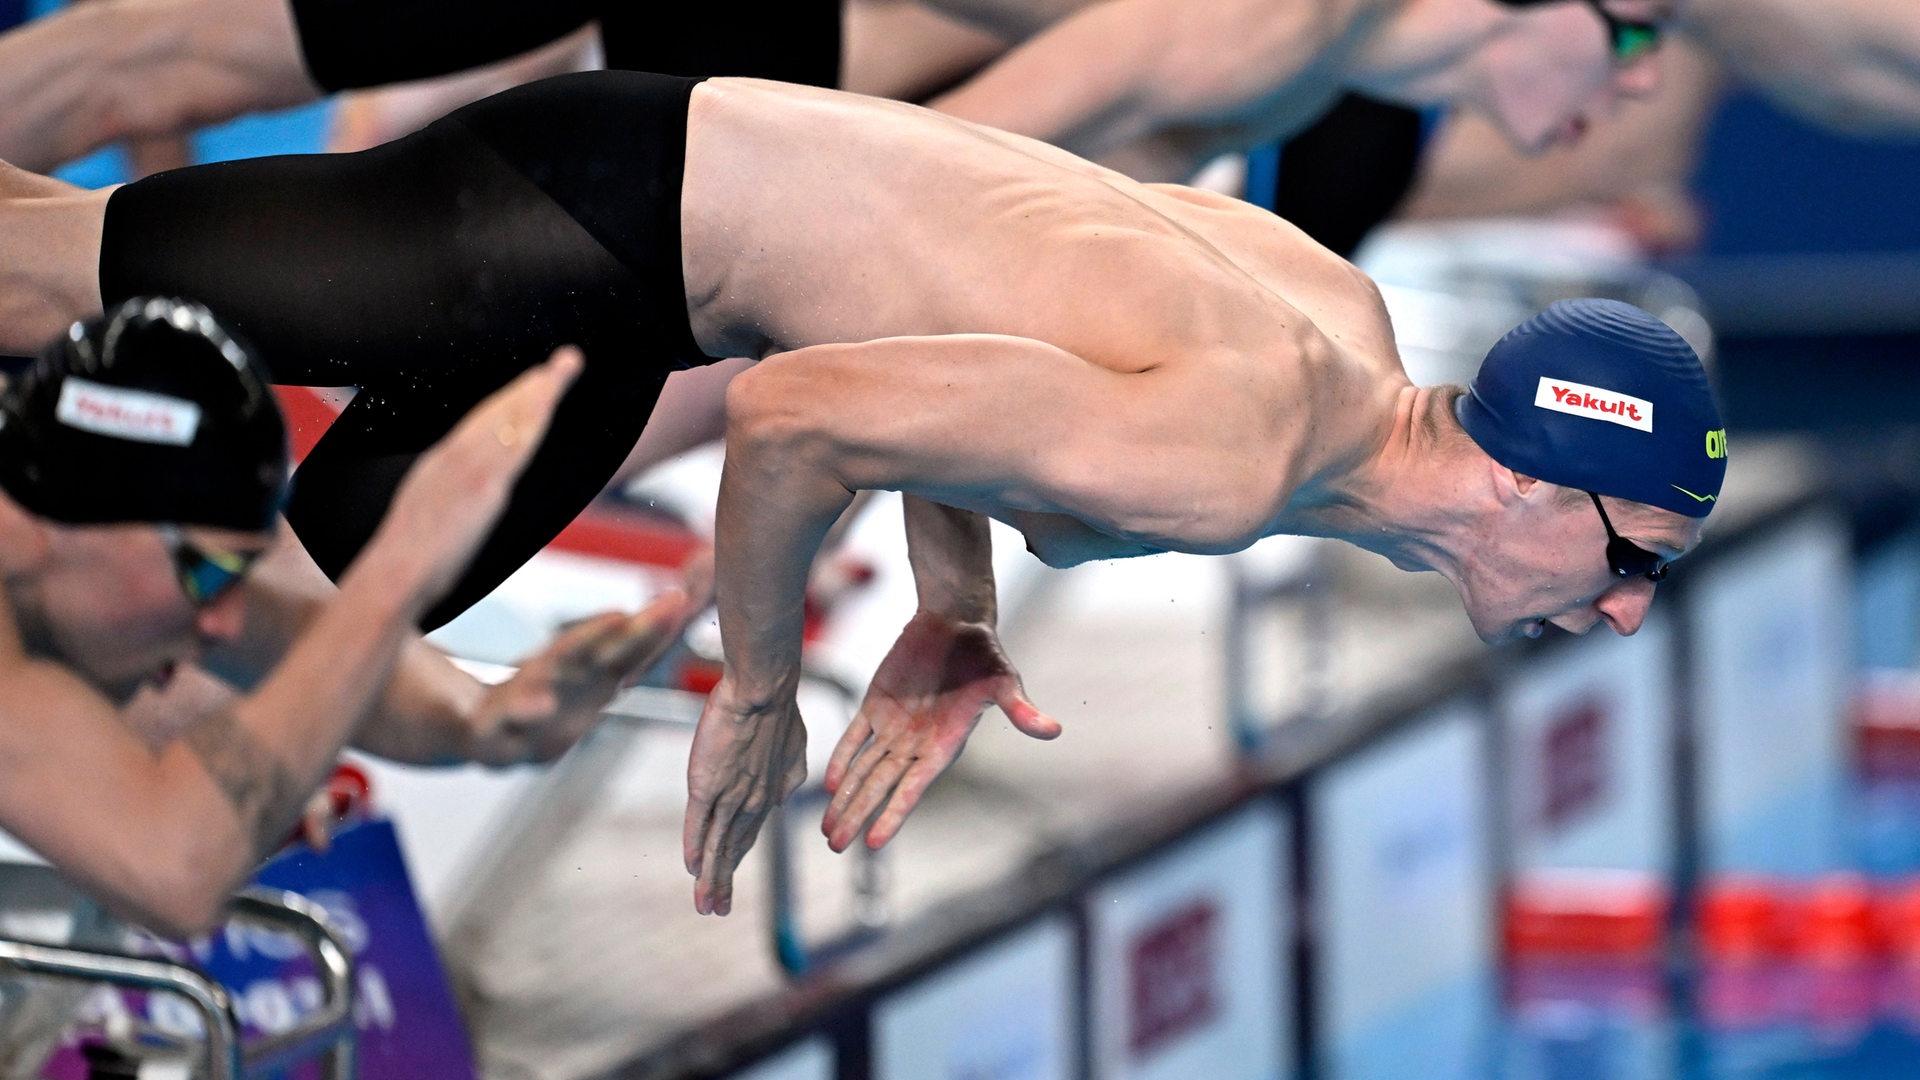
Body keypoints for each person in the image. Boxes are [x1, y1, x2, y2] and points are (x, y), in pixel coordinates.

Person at [0, 71, 1729, 913]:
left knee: (235, 659)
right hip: (595, 212)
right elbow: (802, 410)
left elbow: (955, 348)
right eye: (1636, 554)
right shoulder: (1241, 452)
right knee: (36, 265)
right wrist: (759, 690)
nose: (1632, 602)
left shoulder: (1329, 327)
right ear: (1531, 472)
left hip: (629, 292)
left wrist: (954, 607)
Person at [0, 296, 702, 937]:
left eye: (236, 571)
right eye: (206, 572)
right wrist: (399, 567)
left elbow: (289, 639)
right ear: (49, 525)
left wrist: (483, 717)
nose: (220, 621)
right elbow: (172, 870)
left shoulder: (85, 543)